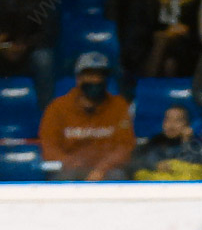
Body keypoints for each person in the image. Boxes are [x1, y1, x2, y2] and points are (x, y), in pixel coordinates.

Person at [39, 52, 133, 180]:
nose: (95, 80)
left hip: (106, 169)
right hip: (70, 168)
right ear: (78, 78)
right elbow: (49, 147)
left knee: (117, 176)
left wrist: (102, 168)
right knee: (64, 178)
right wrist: (72, 164)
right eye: (90, 75)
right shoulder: (57, 107)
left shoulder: (119, 105)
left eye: (100, 75)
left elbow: (125, 146)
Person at [131, 103, 202, 179]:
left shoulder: (196, 146)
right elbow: (137, 164)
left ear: (188, 125)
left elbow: (197, 167)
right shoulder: (154, 143)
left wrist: (186, 141)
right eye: (168, 119)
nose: (171, 124)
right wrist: (155, 166)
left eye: (178, 120)